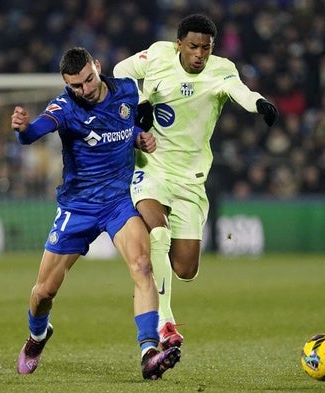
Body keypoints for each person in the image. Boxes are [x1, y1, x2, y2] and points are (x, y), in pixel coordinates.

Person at [11, 47, 181, 380]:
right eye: (76, 86)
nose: (85, 90)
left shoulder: (128, 91)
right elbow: (36, 132)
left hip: (118, 202)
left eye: (88, 80)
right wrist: (23, 129)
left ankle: (148, 351)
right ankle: (37, 336)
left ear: (98, 68)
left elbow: (120, 126)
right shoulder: (65, 107)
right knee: (45, 291)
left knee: (143, 265)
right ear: (67, 85)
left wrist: (138, 137)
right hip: (78, 207)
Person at [113, 14, 278, 350]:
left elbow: (240, 90)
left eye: (206, 47)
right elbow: (119, 72)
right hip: (152, 166)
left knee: (186, 269)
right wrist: (139, 103)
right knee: (157, 232)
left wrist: (259, 103)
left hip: (191, 179)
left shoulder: (222, 70)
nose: (200, 53)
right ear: (179, 45)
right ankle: (164, 322)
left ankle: (152, 277)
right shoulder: (157, 56)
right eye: (193, 46)